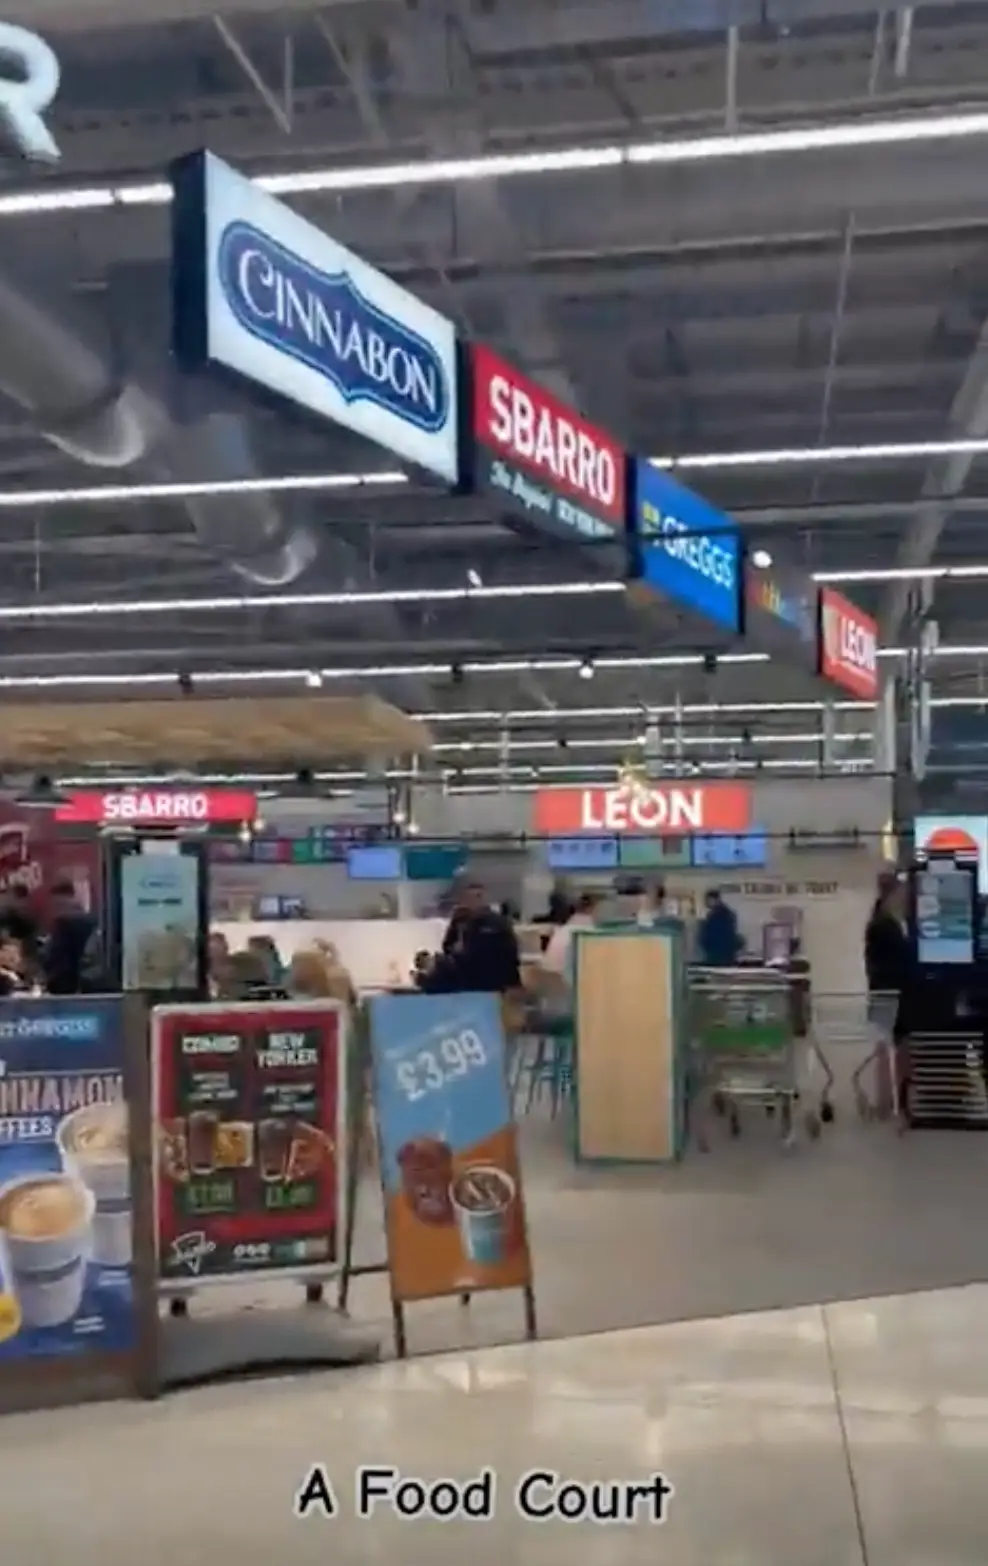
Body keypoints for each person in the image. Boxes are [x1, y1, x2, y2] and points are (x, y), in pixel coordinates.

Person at [864, 875, 911, 1115]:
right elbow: (892, 961)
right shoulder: (885, 925)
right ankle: (890, 1101)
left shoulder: (884, 921)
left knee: (886, 1047)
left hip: (883, 992)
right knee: (891, 1047)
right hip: (889, 993)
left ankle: (889, 1101)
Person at [425, 880, 521, 994]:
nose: (474, 901)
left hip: (491, 980)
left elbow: (510, 953)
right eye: (470, 898)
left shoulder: (498, 923)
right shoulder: (460, 921)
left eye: (478, 896)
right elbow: (448, 946)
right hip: (467, 981)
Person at [41, 879, 98, 995]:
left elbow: (56, 958)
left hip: (65, 986)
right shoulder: (92, 920)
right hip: (90, 984)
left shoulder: (62, 923)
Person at [542, 892, 598, 980]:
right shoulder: (588, 933)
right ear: (591, 909)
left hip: (550, 980)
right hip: (569, 983)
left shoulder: (563, 930)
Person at [697, 888, 742, 966]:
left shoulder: (718, 915)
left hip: (718, 953)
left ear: (715, 900)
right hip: (723, 953)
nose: (706, 903)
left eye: (708, 900)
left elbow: (713, 934)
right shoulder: (727, 914)